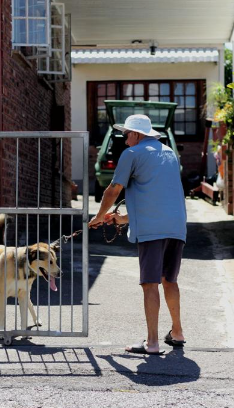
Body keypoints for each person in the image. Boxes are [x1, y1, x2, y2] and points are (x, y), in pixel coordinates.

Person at [89, 114, 187, 355]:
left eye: (126, 134)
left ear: (137, 134)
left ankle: (152, 343)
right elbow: (156, 196)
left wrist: (100, 215)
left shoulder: (132, 154)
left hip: (152, 232)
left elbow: (113, 189)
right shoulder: (168, 153)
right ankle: (177, 332)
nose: (124, 140)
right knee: (169, 280)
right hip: (176, 226)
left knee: (150, 284)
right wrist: (122, 218)